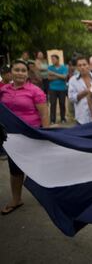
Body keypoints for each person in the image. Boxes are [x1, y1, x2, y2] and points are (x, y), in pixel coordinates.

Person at [0, 59, 49, 215]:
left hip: (31, 136)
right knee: (14, 169)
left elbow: (44, 114)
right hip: (11, 137)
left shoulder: (35, 91)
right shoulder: (3, 90)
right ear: (11, 72)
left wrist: (46, 135)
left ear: (27, 74)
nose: (20, 73)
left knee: (38, 168)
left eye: (23, 70)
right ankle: (16, 199)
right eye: (16, 70)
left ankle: (48, 199)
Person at [68, 56, 92, 124]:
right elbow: (71, 98)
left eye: (84, 64)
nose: (82, 67)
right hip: (81, 118)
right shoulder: (73, 80)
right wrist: (86, 91)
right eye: (79, 65)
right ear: (77, 67)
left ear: (89, 65)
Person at [48, 54, 68, 124]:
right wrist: (60, 77)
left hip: (62, 88)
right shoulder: (49, 67)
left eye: (54, 59)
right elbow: (49, 78)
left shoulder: (64, 67)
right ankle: (52, 120)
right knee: (53, 104)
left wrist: (53, 73)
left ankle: (63, 118)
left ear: (58, 59)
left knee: (62, 104)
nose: (52, 60)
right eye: (51, 59)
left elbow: (65, 77)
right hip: (52, 88)